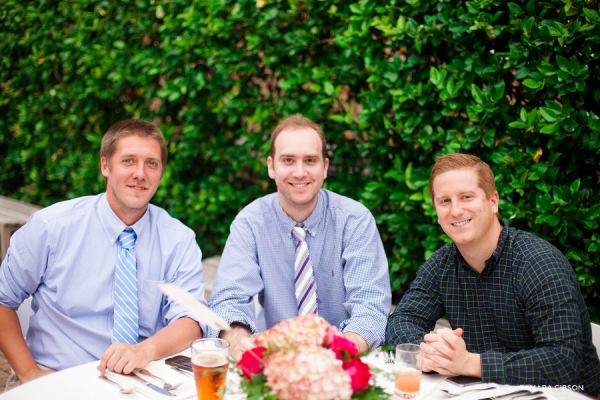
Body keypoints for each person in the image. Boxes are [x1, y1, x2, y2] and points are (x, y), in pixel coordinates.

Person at [0, 119, 206, 390]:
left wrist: (144, 351)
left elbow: (190, 320)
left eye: (151, 163)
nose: (140, 173)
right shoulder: (51, 228)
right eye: (128, 161)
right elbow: (3, 299)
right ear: (105, 166)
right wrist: (28, 375)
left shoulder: (178, 240)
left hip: (140, 378)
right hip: (56, 376)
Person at [385, 153, 600, 396]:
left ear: (493, 201)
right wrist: (428, 353)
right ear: (436, 211)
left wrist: (469, 363)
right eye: (444, 201)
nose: (455, 210)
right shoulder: (441, 264)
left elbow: (562, 361)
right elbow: (401, 321)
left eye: (466, 197)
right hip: (483, 393)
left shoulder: (538, 263)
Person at [208, 114, 391, 358]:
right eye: (288, 160)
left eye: (310, 160)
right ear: (271, 167)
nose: (299, 171)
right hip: (272, 361)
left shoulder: (354, 220)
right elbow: (228, 300)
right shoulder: (250, 224)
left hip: (347, 361)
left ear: (324, 167)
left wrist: (339, 351)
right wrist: (240, 341)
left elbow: (371, 306)